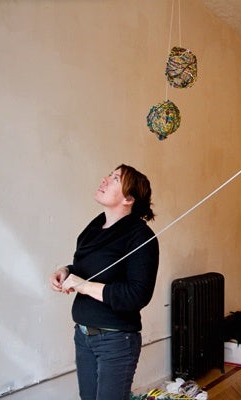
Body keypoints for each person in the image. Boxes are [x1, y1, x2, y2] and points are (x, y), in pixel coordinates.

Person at [49, 164, 159, 399]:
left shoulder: (141, 237)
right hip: (83, 335)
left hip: (116, 340)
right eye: (109, 175)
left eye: (115, 178)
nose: (105, 179)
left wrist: (82, 285)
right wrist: (65, 271)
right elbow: (89, 268)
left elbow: (137, 295)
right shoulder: (95, 227)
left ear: (129, 198)